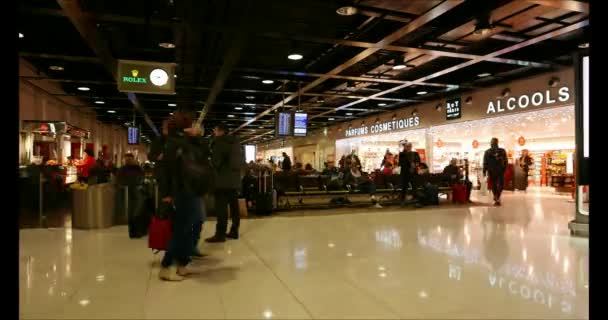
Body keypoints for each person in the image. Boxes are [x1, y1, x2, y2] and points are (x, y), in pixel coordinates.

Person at [157, 112, 206, 281]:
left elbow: (203, 154)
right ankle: (166, 266)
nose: (193, 127)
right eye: (190, 124)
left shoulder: (184, 141)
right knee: (181, 231)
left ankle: (182, 265)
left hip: (190, 190)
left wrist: (196, 138)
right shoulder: (173, 143)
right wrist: (167, 194)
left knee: (188, 229)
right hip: (182, 191)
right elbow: (165, 171)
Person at [206, 123, 244, 243]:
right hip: (234, 181)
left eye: (215, 130)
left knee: (221, 208)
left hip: (222, 181)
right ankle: (234, 231)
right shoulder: (236, 143)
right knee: (234, 207)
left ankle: (220, 234)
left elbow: (216, 162)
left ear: (221, 131)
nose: (214, 132)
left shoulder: (219, 142)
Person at [118, 153, 146, 238]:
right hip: (131, 191)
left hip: (131, 191)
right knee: (135, 211)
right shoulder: (135, 168)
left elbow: (120, 179)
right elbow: (141, 177)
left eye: (130, 159)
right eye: (128, 159)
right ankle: (135, 232)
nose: (129, 161)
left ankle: (135, 232)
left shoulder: (125, 169)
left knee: (134, 211)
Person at [483, 137, 508, 206]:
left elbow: (506, 161)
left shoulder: (502, 151)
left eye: (494, 142)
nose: (493, 143)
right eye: (492, 142)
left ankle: (497, 196)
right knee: (494, 185)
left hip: (500, 170)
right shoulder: (487, 151)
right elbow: (485, 162)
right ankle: (496, 197)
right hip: (492, 170)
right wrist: (484, 171)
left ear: (497, 142)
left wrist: (504, 168)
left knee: (501, 185)